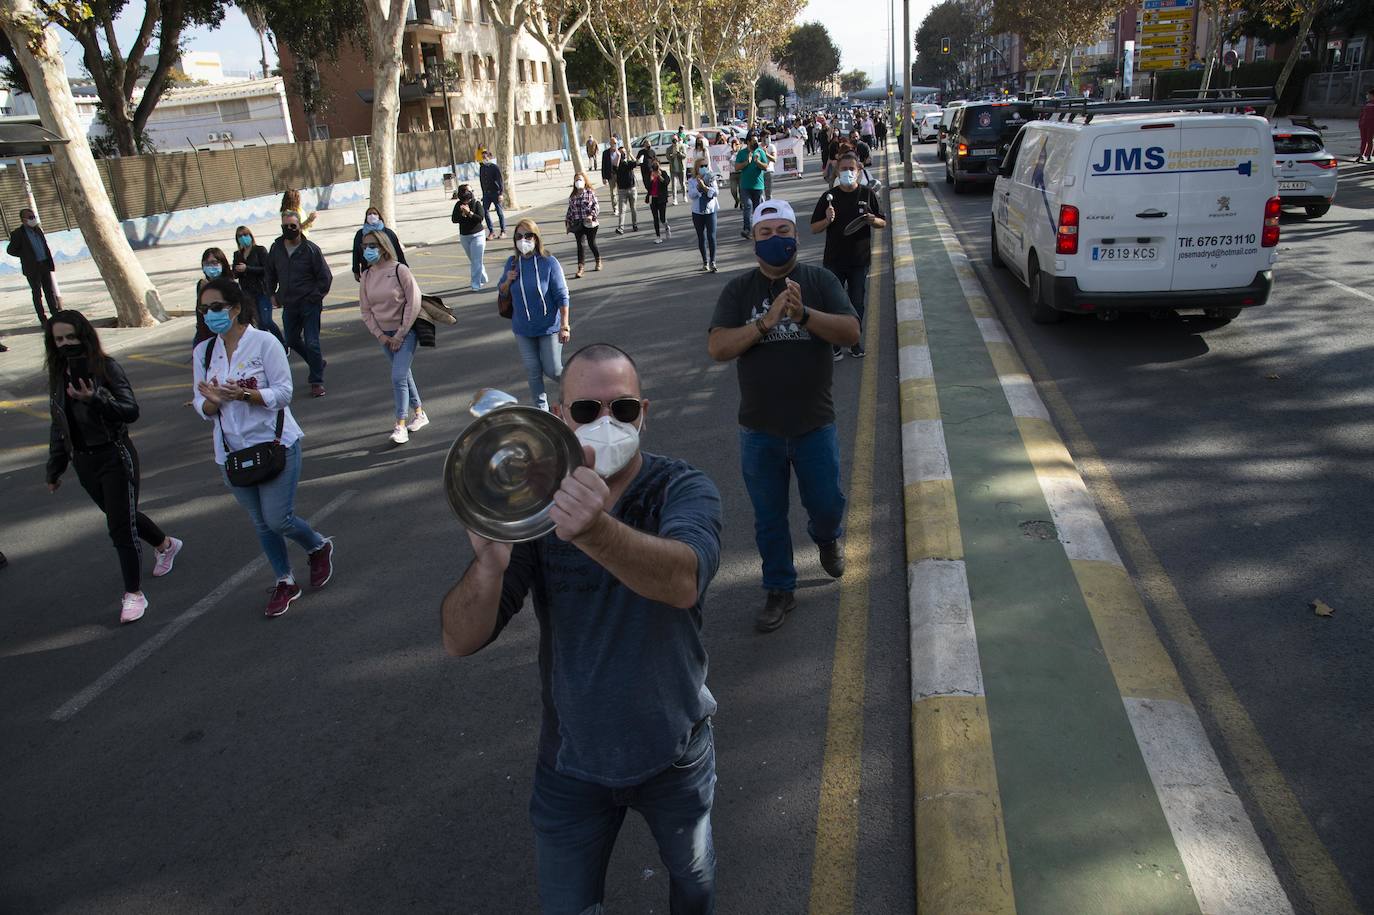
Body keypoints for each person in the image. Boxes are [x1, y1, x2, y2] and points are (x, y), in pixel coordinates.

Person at [440, 343, 723, 915]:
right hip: (571, 762)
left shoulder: (682, 488)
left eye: (621, 411)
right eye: (587, 411)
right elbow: (459, 639)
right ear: (562, 418)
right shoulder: (534, 510)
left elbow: (683, 580)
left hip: (674, 751)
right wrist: (489, 565)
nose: (605, 423)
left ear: (643, 413)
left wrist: (592, 531)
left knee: (693, 888)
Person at [706, 199, 860, 632]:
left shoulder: (819, 280)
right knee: (769, 517)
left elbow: (851, 332)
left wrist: (804, 314)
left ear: (795, 234)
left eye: (782, 231)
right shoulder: (739, 291)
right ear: (754, 242)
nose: (775, 240)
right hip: (760, 431)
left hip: (815, 424)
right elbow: (718, 347)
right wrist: (765, 323)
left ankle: (827, 539)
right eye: (765, 233)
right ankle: (779, 589)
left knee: (827, 504)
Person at [193, 278, 334, 618]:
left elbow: (284, 394)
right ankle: (285, 580)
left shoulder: (264, 343)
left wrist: (244, 394)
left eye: (216, 308)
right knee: (260, 523)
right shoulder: (204, 352)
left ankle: (317, 545)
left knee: (278, 518)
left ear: (236, 308)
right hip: (231, 453)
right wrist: (212, 402)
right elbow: (201, 404)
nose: (210, 315)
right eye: (204, 309)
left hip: (275, 444)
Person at [46, 308, 183, 624]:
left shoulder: (105, 368)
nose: (66, 344)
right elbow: (59, 424)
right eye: (58, 339)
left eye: (71, 337)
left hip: (114, 455)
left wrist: (95, 398)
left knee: (120, 527)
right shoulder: (58, 375)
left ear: (84, 336)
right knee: (123, 516)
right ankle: (166, 544)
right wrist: (55, 468)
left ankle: (134, 595)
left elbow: (130, 410)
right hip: (84, 461)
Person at [810, 151, 885, 361]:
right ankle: (834, 343)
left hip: (859, 261)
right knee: (833, 303)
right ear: (837, 172)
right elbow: (814, 228)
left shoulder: (867, 194)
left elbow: (882, 221)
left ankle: (853, 341)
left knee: (856, 303)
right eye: (843, 169)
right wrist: (827, 220)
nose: (848, 173)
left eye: (852, 169)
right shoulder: (828, 197)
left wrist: (872, 220)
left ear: (859, 171)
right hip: (833, 261)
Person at [358, 230, 428, 444]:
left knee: (398, 376)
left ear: (383, 246)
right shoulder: (367, 276)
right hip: (385, 336)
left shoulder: (400, 270)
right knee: (403, 375)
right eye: (365, 246)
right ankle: (420, 413)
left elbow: (413, 302)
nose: (368, 250)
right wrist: (380, 335)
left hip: (405, 333)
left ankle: (400, 424)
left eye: (372, 245)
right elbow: (365, 309)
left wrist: (401, 333)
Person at [498, 219, 569, 411]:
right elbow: (502, 291)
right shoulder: (512, 263)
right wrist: (507, 281)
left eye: (528, 236)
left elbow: (562, 294)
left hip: (548, 328)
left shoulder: (549, 262)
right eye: (519, 237)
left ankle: (578, 389)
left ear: (536, 237)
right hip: (523, 329)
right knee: (533, 372)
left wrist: (564, 325)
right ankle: (542, 412)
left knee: (553, 370)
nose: (524, 240)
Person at [265, 209, 333, 398]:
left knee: (312, 342)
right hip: (289, 303)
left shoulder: (310, 249)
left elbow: (325, 277)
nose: (289, 229)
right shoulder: (276, 248)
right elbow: (270, 272)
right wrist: (271, 293)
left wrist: (315, 296)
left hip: (309, 303)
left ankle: (316, 381)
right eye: (285, 226)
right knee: (292, 340)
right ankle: (317, 362)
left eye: (292, 226)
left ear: (299, 226)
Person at [8, 208, 61, 325]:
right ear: (23, 220)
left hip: (44, 265)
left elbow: (44, 246)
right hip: (32, 268)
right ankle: (43, 318)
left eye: (33, 216)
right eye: (30, 217)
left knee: (49, 291)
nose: (33, 219)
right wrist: (25, 256)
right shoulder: (18, 234)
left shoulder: (38, 230)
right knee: (37, 294)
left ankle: (55, 314)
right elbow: (10, 250)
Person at [231, 226, 283, 345]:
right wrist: (236, 271)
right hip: (248, 293)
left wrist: (247, 268)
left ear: (250, 236)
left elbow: (267, 268)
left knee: (266, 321)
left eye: (245, 235)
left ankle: (281, 342)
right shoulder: (238, 254)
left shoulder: (260, 250)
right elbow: (235, 273)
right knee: (258, 323)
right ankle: (266, 346)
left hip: (262, 291)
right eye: (240, 236)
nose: (243, 238)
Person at [351, 205, 407, 281]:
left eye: (374, 213)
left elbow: (398, 251)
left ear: (379, 216)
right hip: (368, 270)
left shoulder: (388, 233)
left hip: (388, 270)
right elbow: (356, 252)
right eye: (369, 214)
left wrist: (404, 267)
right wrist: (356, 270)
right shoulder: (360, 234)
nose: (372, 216)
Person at [564, 172, 603, 277]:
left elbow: (596, 206)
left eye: (580, 179)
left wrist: (591, 215)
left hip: (590, 223)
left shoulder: (590, 193)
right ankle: (580, 268)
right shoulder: (572, 197)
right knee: (580, 246)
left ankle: (598, 260)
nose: (578, 182)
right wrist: (568, 223)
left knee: (591, 243)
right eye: (576, 180)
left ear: (585, 181)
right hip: (578, 224)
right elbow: (570, 211)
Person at [452, 183, 489, 291]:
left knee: (476, 261)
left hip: (477, 235)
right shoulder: (458, 205)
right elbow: (454, 219)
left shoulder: (476, 203)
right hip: (464, 236)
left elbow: (480, 218)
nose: (468, 193)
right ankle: (483, 277)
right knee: (473, 260)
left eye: (470, 191)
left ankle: (475, 284)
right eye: (465, 191)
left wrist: (469, 213)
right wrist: (462, 214)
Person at [194, 247, 233, 348]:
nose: (211, 266)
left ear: (222, 264)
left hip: (227, 332)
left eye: (214, 263)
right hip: (205, 332)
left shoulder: (230, 285)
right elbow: (200, 312)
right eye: (207, 263)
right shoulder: (202, 284)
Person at [687, 157, 719, 272]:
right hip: (697, 212)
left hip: (710, 210)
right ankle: (705, 261)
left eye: (705, 165)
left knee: (711, 236)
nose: (704, 168)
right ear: (696, 168)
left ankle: (713, 261)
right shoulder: (692, 180)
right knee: (701, 236)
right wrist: (698, 187)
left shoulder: (711, 178)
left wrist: (705, 187)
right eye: (701, 166)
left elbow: (715, 193)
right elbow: (691, 195)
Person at [734, 133, 768, 237]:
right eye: (754, 141)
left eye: (757, 140)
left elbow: (765, 166)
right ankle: (747, 229)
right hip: (745, 186)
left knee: (757, 208)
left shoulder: (760, 152)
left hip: (758, 186)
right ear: (748, 142)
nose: (756, 142)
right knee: (748, 206)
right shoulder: (742, 153)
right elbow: (737, 167)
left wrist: (757, 162)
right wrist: (746, 162)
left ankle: (758, 229)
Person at [480, 148, 507, 240]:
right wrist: (483, 194)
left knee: (499, 212)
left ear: (489, 157)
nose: (484, 158)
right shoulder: (482, 167)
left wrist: (501, 193)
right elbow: (482, 181)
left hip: (495, 193)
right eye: (483, 157)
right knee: (485, 212)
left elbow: (500, 181)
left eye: (485, 156)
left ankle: (503, 231)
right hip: (486, 194)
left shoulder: (494, 167)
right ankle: (491, 232)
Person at [614, 146, 639, 235]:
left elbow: (637, 162)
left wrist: (630, 154)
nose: (623, 154)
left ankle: (634, 224)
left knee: (633, 209)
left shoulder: (629, 163)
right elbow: (614, 167)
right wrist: (618, 157)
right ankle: (620, 228)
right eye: (621, 153)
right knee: (622, 210)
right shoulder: (617, 164)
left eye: (624, 153)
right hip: (622, 191)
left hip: (632, 189)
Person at [645, 159, 671, 244]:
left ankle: (666, 227)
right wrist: (651, 179)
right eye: (653, 164)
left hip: (661, 198)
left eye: (656, 164)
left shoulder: (663, 173)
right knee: (655, 218)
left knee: (662, 218)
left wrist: (659, 176)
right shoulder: (650, 174)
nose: (655, 166)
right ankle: (658, 236)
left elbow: (666, 183)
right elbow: (648, 187)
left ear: (659, 165)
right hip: (653, 198)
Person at [668, 127, 689, 204]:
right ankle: (674, 199)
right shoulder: (669, 148)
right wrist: (672, 156)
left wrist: (679, 154)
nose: (675, 142)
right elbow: (667, 157)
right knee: (673, 185)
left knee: (682, 183)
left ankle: (684, 196)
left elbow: (685, 155)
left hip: (681, 168)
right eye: (673, 141)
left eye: (676, 140)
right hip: (673, 169)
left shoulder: (682, 146)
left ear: (678, 140)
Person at [601, 136, 621, 216]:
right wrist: (603, 177)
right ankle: (615, 208)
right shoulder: (605, 153)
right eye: (612, 143)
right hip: (610, 175)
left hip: (619, 175)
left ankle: (621, 207)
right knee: (613, 193)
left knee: (621, 192)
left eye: (615, 143)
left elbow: (622, 164)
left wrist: (619, 155)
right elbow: (603, 166)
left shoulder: (619, 152)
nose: (614, 144)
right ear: (610, 143)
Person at [727, 137, 743, 211]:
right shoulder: (729, 154)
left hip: (741, 173)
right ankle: (737, 200)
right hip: (733, 174)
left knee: (741, 190)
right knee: (733, 191)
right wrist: (733, 152)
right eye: (734, 144)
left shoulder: (742, 153)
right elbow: (730, 159)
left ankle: (742, 203)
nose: (735, 146)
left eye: (737, 144)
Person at [762, 133, 779, 200]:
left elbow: (774, 159)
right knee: (759, 192)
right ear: (762, 138)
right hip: (759, 172)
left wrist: (766, 154)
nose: (768, 139)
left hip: (769, 171)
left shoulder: (771, 147)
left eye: (769, 137)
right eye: (766, 137)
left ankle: (768, 207)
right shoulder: (758, 147)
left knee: (768, 192)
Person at [1359, 88, 1374, 163]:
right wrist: (1360, 123)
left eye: (1368, 94)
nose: (1367, 96)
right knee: (1363, 140)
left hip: (1371, 125)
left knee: (1370, 140)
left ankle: (1369, 155)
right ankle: (1362, 154)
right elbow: (1362, 114)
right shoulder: (1366, 104)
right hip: (1363, 125)